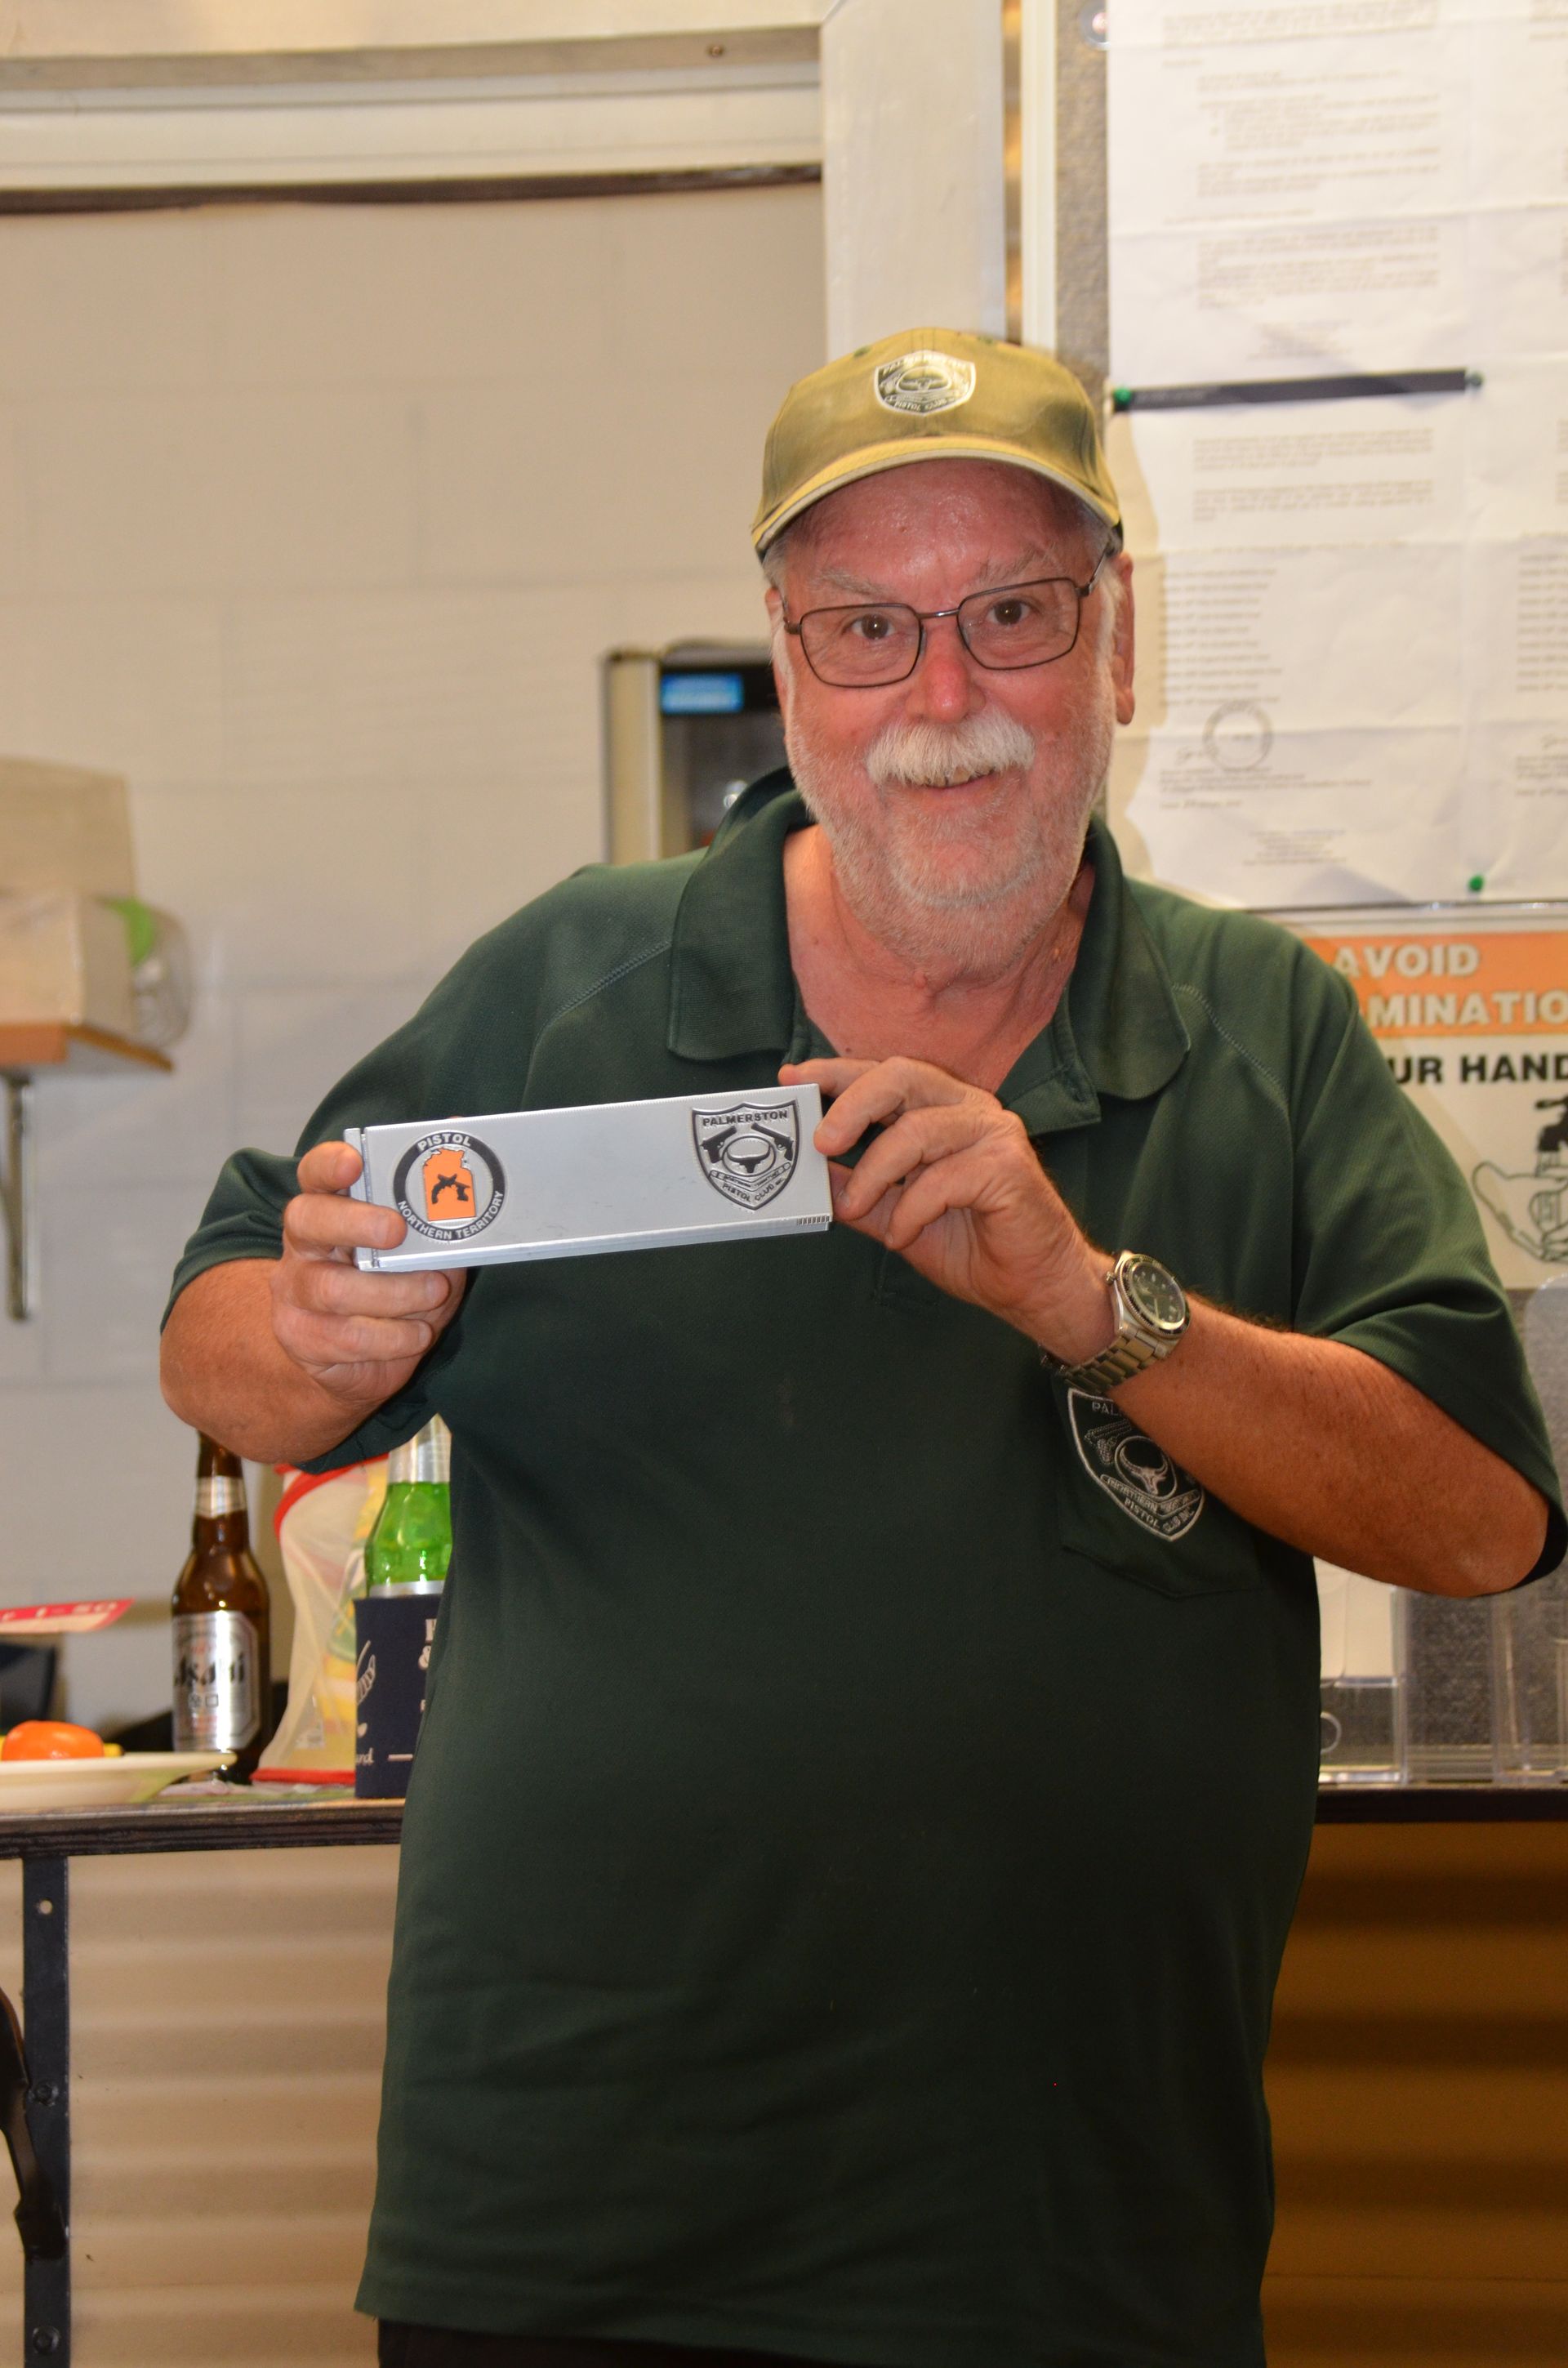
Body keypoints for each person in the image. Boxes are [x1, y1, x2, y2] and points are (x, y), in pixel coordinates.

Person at [162, 329, 1564, 2368]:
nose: (943, 699)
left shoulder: (1262, 1033)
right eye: (866, 627)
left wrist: (1091, 1305)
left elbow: (1480, 1519)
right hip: (575, 2228)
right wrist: (308, 1334)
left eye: (1011, 614)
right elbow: (226, 1333)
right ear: (790, 658)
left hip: (1079, 2233)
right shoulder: (576, 981)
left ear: (1118, 644)